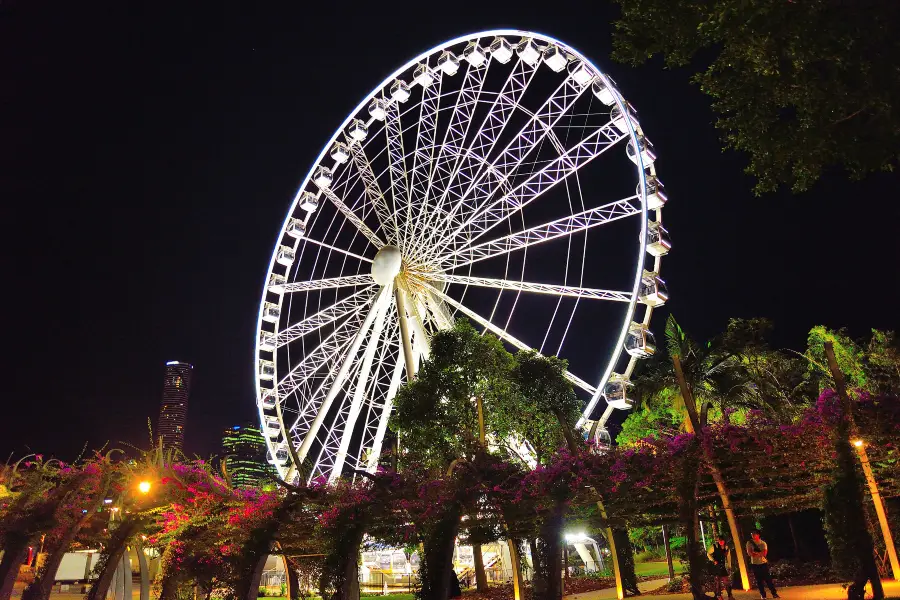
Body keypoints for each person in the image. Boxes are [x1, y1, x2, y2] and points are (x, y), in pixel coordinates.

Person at [746, 530, 779, 599]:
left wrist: (755, 553)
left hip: (763, 563)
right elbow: (750, 554)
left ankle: (774, 593)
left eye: (754, 534)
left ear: (758, 535)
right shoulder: (749, 543)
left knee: (768, 579)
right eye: (752, 534)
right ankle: (763, 595)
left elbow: (764, 554)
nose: (752, 535)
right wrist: (758, 553)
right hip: (754, 564)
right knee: (759, 580)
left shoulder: (763, 543)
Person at [707, 535, 734, 600]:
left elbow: (728, 557)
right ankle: (719, 596)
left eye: (722, 540)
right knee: (717, 582)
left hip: (723, 566)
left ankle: (730, 595)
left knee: (726, 582)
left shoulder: (726, 547)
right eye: (720, 540)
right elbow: (708, 553)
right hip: (716, 566)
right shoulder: (714, 547)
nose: (721, 542)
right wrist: (713, 560)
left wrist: (729, 566)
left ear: (724, 541)